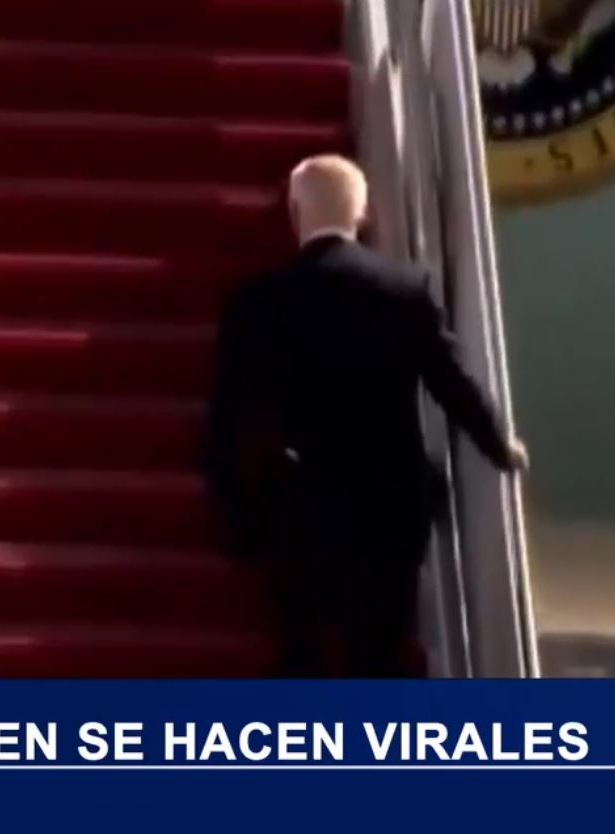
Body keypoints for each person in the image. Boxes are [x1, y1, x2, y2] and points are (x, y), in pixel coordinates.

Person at [202, 154, 528, 678]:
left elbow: (229, 418)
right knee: (378, 654)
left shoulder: (258, 301)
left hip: (296, 505)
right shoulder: (403, 290)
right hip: (388, 505)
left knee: (301, 655)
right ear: (363, 213)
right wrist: (498, 445)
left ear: (294, 212)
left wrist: (235, 512)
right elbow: (452, 382)